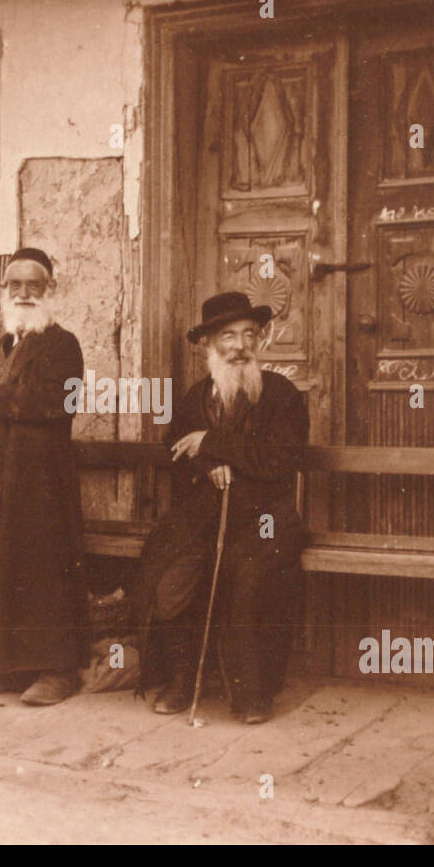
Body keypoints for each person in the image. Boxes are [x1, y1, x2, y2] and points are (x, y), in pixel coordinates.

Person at [133, 291, 309, 724]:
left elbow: (281, 458)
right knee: (170, 577)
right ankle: (183, 678)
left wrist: (211, 442)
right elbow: (176, 445)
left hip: (268, 517)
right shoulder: (196, 399)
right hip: (206, 513)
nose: (239, 345)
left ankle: (252, 694)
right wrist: (207, 464)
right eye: (227, 336)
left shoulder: (282, 395)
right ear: (207, 346)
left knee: (246, 577)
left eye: (249, 334)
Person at [0, 247, 88, 705]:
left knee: (43, 567)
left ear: (50, 290)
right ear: (5, 291)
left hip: (41, 479)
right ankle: (11, 667)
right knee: (3, 563)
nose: (23, 293)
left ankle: (59, 671)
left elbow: (64, 402)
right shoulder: (5, 344)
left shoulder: (63, 344)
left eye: (33, 285)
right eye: (14, 284)